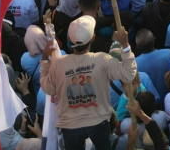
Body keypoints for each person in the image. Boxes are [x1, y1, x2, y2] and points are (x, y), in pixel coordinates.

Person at [40, 16, 137, 150]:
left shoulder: (58, 64)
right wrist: (125, 46)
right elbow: (129, 74)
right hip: (99, 123)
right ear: (93, 38)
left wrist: (45, 58)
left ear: (69, 40)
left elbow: (48, 89)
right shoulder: (102, 60)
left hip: (70, 126)